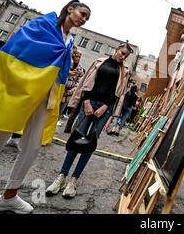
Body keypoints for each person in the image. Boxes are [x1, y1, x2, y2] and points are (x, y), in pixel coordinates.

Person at [0, 0, 91, 214]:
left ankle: (9, 196)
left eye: (87, 18)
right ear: (70, 9)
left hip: (46, 97)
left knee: (32, 147)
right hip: (20, 93)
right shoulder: (42, 26)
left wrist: (71, 64)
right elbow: (17, 51)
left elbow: (57, 68)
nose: (83, 19)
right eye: (82, 13)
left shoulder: (70, 39)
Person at [46, 43, 132, 198]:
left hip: (104, 109)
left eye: (126, 55)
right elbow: (86, 82)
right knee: (76, 138)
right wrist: (86, 102)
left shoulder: (124, 71)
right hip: (89, 102)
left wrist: (106, 106)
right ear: (116, 49)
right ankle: (61, 176)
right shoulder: (100, 62)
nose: (123, 56)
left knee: (90, 142)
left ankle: (74, 179)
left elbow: (119, 93)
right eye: (122, 52)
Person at [58, 47, 84, 128]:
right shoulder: (66, 65)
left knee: (62, 107)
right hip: (60, 89)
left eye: (79, 56)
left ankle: (58, 119)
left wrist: (72, 91)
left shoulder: (80, 69)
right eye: (76, 55)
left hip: (69, 93)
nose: (78, 58)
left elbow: (79, 82)